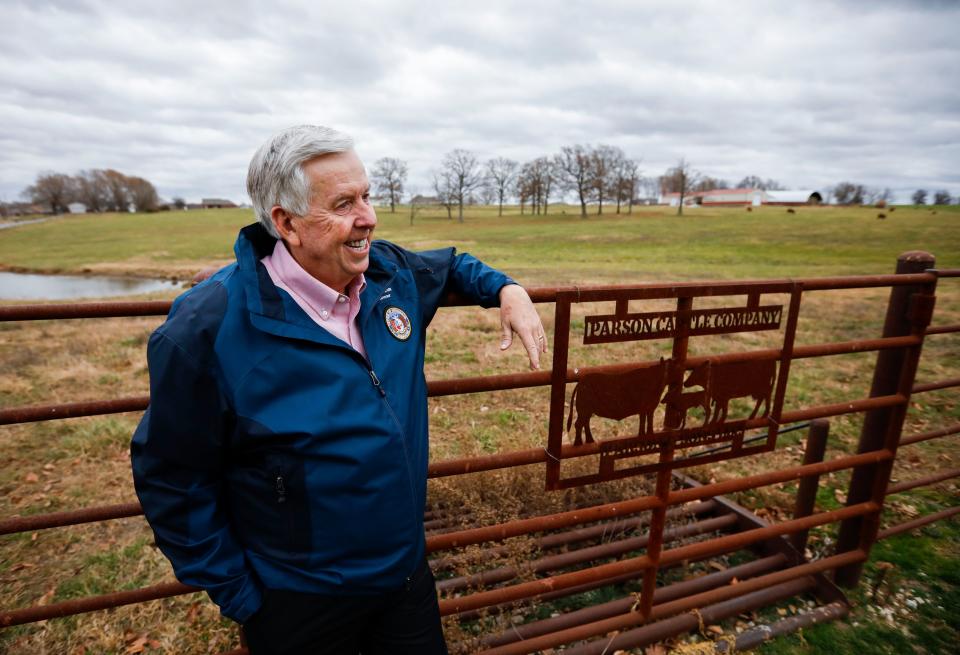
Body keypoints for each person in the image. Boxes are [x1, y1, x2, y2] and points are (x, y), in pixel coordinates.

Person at [130, 125, 546, 654]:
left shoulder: (389, 273)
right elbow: (172, 476)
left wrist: (506, 289)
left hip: (404, 574)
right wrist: (239, 594)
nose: (368, 216)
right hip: (298, 599)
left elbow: (454, 264)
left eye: (367, 196)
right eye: (345, 203)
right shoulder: (206, 327)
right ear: (287, 223)